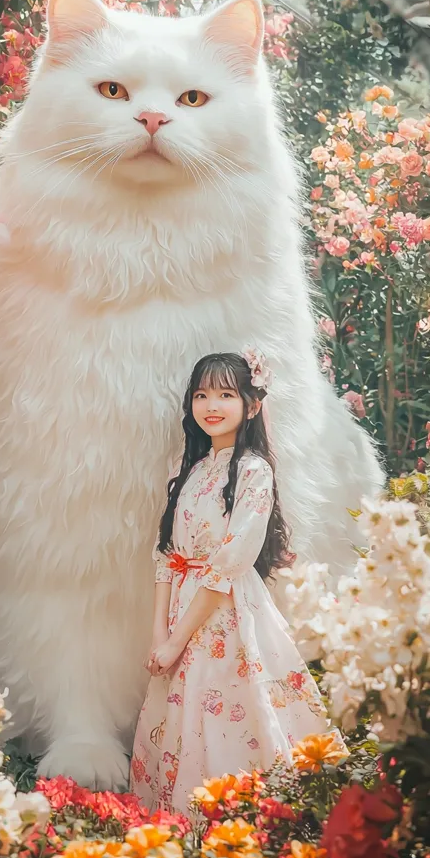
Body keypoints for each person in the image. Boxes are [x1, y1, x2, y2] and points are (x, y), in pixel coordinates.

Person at [129, 349, 346, 815]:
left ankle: (238, 815)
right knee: (183, 713)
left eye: (226, 394)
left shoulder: (253, 471)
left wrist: (178, 639)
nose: (211, 404)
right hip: (181, 608)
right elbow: (167, 556)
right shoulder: (185, 469)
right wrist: (160, 636)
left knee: (228, 712)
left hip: (225, 612)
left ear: (251, 404)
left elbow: (229, 563)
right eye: (202, 394)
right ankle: (181, 817)